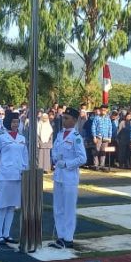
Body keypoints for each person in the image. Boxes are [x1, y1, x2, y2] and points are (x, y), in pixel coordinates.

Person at [50, 107, 87, 249]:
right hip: (59, 175)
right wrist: (55, 158)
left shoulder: (76, 137)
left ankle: (68, 238)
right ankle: (60, 236)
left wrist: (67, 164)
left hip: (70, 177)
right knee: (58, 208)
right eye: (63, 118)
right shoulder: (60, 134)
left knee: (69, 208)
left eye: (66, 118)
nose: (63, 121)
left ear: (74, 120)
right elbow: (55, 150)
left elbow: (82, 158)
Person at [0, 112, 28, 247]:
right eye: (13, 122)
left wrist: (26, 169)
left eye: (17, 122)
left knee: (12, 206)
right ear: (8, 123)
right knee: (2, 206)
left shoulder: (22, 138)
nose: (15, 124)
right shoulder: (2, 138)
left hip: (18, 175)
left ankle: (7, 234)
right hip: (5, 174)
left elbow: (25, 156)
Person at [90, 106, 113, 171]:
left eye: (105, 110)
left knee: (103, 151)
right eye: (102, 110)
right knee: (96, 150)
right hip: (98, 137)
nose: (103, 111)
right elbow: (93, 127)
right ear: (100, 110)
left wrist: (110, 137)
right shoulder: (96, 118)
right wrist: (94, 137)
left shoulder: (108, 119)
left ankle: (102, 165)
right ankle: (96, 165)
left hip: (106, 138)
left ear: (106, 111)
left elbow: (110, 128)